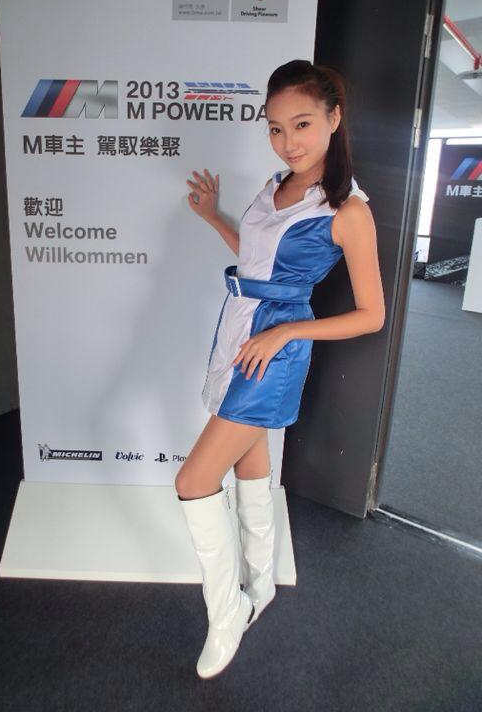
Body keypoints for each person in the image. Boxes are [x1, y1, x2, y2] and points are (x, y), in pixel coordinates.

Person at [175, 60, 386, 679]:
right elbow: (257, 259)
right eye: (275, 128)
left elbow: (372, 315)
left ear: (333, 119)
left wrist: (290, 329)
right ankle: (260, 582)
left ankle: (227, 614)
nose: (288, 141)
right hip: (240, 331)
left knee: (193, 481)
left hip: (276, 348)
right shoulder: (275, 186)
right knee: (251, 460)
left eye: (302, 124)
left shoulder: (348, 209)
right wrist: (214, 216)